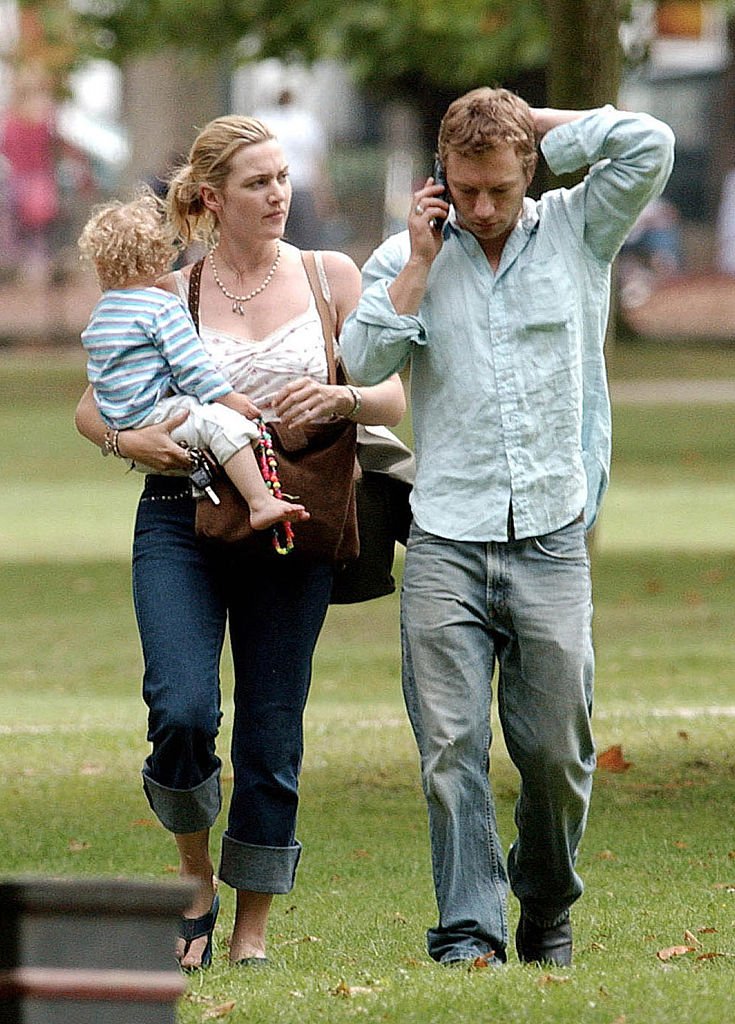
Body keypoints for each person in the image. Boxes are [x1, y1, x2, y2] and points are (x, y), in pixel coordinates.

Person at [340, 88, 674, 968]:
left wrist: (542, 124)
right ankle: (467, 932)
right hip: (445, 535)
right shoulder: (406, 253)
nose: (482, 209)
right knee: (449, 748)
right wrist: (416, 263)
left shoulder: (577, 228)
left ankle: (546, 899)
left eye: (497, 188)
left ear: (528, 170)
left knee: (558, 756)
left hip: (552, 538)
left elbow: (648, 142)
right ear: (440, 180)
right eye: (465, 190)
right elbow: (362, 362)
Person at [75, 114, 406, 969]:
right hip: (179, 516)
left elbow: (390, 395)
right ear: (211, 198)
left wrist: (341, 401)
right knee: (181, 709)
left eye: (284, 176)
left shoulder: (329, 275)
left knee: (271, 730)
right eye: (258, 182)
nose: (279, 194)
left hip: (292, 518)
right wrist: (124, 439)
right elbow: (90, 402)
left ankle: (251, 926)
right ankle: (194, 878)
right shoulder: (169, 289)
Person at [78, 191, 307, 536]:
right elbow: (191, 367)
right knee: (222, 425)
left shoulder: (102, 313)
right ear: (157, 258)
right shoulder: (160, 307)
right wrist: (229, 400)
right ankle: (260, 502)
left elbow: (100, 375)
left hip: (124, 427)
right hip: (155, 416)